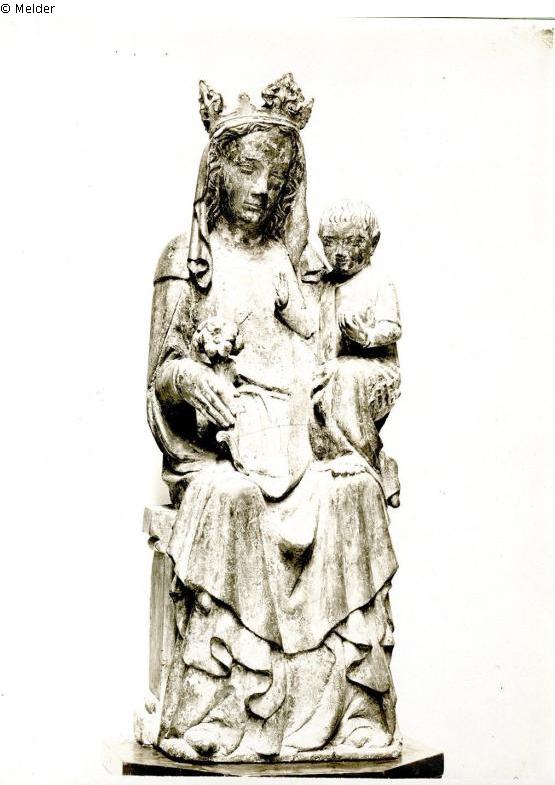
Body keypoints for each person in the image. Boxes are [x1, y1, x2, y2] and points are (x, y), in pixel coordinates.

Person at [146, 76, 400, 762]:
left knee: (355, 492)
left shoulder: (292, 266)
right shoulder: (189, 262)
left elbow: (318, 348)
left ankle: (349, 709)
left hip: (295, 440)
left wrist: (335, 413)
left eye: (277, 175)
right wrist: (192, 379)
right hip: (226, 451)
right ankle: (216, 711)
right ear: (218, 171)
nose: (262, 187)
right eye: (249, 168)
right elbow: (161, 374)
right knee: (225, 499)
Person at [309, 200, 402, 505]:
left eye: (352, 242)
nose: (339, 251)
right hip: (332, 370)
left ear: (373, 242)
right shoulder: (323, 283)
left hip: (375, 371)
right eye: (330, 242)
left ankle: (366, 461)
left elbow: (392, 327)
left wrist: (366, 336)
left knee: (343, 375)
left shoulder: (377, 282)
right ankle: (347, 456)